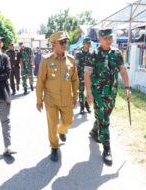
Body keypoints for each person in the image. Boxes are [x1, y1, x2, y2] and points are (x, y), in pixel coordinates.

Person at [84, 29, 131, 166]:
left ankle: (94, 131)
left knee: (103, 116)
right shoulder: (94, 54)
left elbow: (122, 70)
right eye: (106, 38)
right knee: (105, 119)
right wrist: (89, 93)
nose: (109, 40)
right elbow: (87, 74)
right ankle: (107, 149)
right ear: (99, 38)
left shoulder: (116, 53)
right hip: (98, 94)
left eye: (110, 38)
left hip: (112, 93)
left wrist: (127, 88)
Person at [36, 31, 78, 162]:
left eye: (65, 42)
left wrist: (75, 96)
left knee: (68, 122)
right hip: (51, 100)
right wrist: (39, 99)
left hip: (66, 99)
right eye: (62, 42)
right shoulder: (46, 61)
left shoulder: (71, 60)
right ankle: (54, 147)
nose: (65, 44)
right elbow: (40, 81)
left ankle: (62, 131)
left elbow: (75, 79)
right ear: (54, 44)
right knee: (52, 125)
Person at [75, 37, 91, 114]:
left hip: (90, 77)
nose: (89, 45)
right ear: (83, 44)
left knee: (89, 91)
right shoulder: (78, 54)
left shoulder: (92, 54)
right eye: (87, 43)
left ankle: (87, 105)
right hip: (81, 75)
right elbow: (76, 65)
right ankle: (82, 107)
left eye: (89, 43)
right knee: (81, 91)